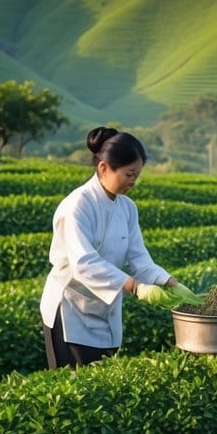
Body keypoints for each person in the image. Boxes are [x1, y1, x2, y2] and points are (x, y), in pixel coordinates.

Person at [40, 126, 196, 369]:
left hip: (105, 309)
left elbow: (139, 257)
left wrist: (169, 282)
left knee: (101, 387)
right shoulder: (77, 206)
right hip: (71, 311)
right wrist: (134, 287)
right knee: (75, 390)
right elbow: (84, 263)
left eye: (137, 175)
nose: (133, 182)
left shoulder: (127, 208)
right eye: (129, 174)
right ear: (104, 168)